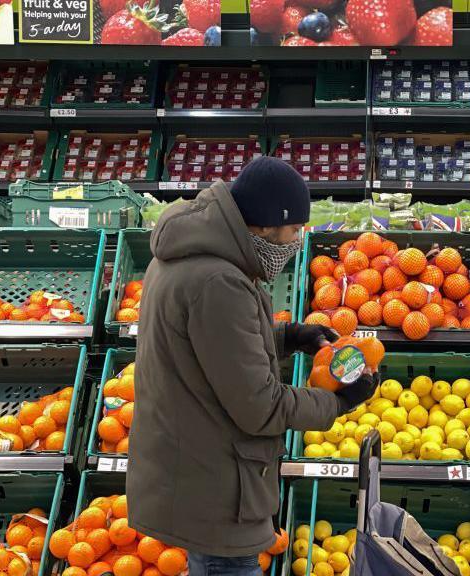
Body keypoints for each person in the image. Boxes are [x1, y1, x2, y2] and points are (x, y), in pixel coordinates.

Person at [127, 156, 380, 576]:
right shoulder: (220, 282)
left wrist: (288, 338)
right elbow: (259, 406)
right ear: (264, 225)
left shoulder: (185, 258)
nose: (298, 241)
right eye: (295, 230)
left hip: (194, 467)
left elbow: (207, 351)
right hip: (215, 483)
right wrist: (337, 402)